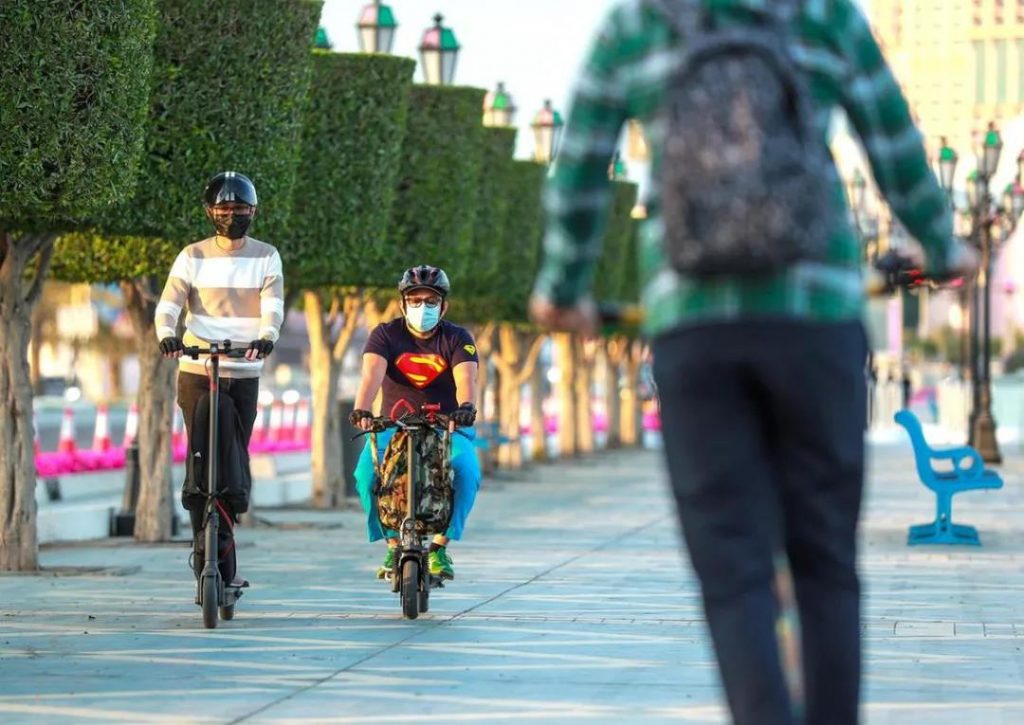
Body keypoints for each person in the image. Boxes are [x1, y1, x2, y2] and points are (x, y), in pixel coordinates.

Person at [528, 2, 978, 723]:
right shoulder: (824, 12)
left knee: (733, 569)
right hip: (815, 321)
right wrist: (941, 242)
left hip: (694, 325)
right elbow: (894, 144)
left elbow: (579, 170)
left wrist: (562, 290)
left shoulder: (635, 22)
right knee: (825, 561)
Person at [156, 170, 285, 587]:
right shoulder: (192, 255)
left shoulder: (266, 256)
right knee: (199, 459)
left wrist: (266, 337)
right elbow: (169, 303)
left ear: (253, 212)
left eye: (240, 208)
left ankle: (228, 536)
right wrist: (167, 335)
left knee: (233, 457)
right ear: (210, 212)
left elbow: (273, 306)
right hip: (197, 370)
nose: (232, 215)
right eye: (225, 208)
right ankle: (201, 540)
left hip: (243, 371)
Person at [350, 265, 481, 581]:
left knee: (467, 472)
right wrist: (362, 409)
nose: (423, 306)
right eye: (415, 300)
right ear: (403, 304)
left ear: (444, 306)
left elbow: (467, 378)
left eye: (431, 301)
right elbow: (371, 374)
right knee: (366, 475)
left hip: (446, 426)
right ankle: (392, 545)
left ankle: (439, 548)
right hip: (392, 426)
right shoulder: (384, 335)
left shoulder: (458, 338)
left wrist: (466, 407)